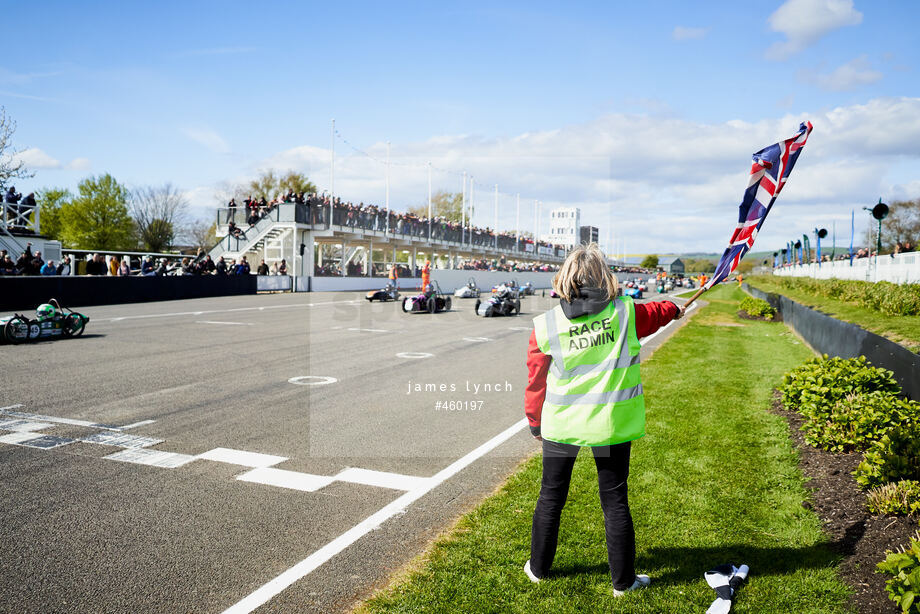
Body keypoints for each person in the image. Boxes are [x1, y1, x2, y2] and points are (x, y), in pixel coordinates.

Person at [523, 243, 684, 596]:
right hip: (609, 425)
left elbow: (535, 380)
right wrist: (673, 308)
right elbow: (658, 311)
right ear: (604, 277)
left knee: (551, 496)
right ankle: (623, 583)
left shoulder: (546, 324)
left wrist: (534, 421)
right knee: (614, 501)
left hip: (561, 425)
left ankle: (538, 569)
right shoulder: (625, 313)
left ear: (565, 279)